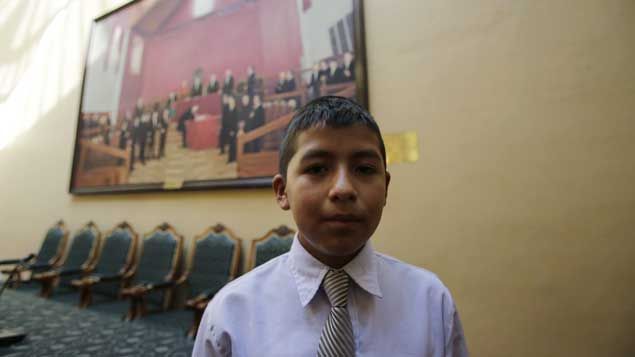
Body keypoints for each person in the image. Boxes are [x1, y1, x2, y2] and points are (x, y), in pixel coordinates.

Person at [192, 96, 469, 357]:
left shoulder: (431, 302)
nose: (343, 189)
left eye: (363, 169)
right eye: (317, 169)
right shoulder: (231, 314)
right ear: (282, 191)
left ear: (385, 188)